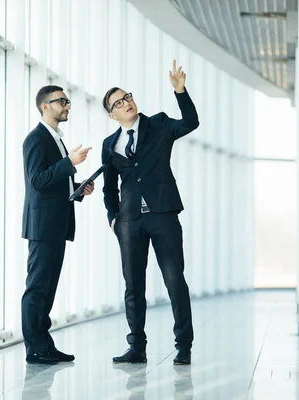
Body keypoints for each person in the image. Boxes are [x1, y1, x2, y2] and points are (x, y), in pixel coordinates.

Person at [101, 60, 199, 365]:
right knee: (133, 286)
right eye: (118, 103)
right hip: (130, 222)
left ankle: (183, 344)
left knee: (174, 280)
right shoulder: (110, 144)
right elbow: (108, 187)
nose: (126, 103)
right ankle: (137, 347)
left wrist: (180, 91)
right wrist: (113, 218)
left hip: (163, 215)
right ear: (111, 114)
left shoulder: (159, 124)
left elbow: (191, 122)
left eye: (127, 97)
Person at [21, 85, 94, 364]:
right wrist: (69, 162)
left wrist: (77, 188)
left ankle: (44, 344)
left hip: (55, 224)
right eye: (60, 101)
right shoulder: (36, 139)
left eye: (67, 101)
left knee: (48, 288)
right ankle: (35, 348)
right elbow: (37, 180)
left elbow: (51, 182)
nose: (66, 105)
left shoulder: (56, 139)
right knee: (37, 288)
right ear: (44, 106)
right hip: (42, 226)